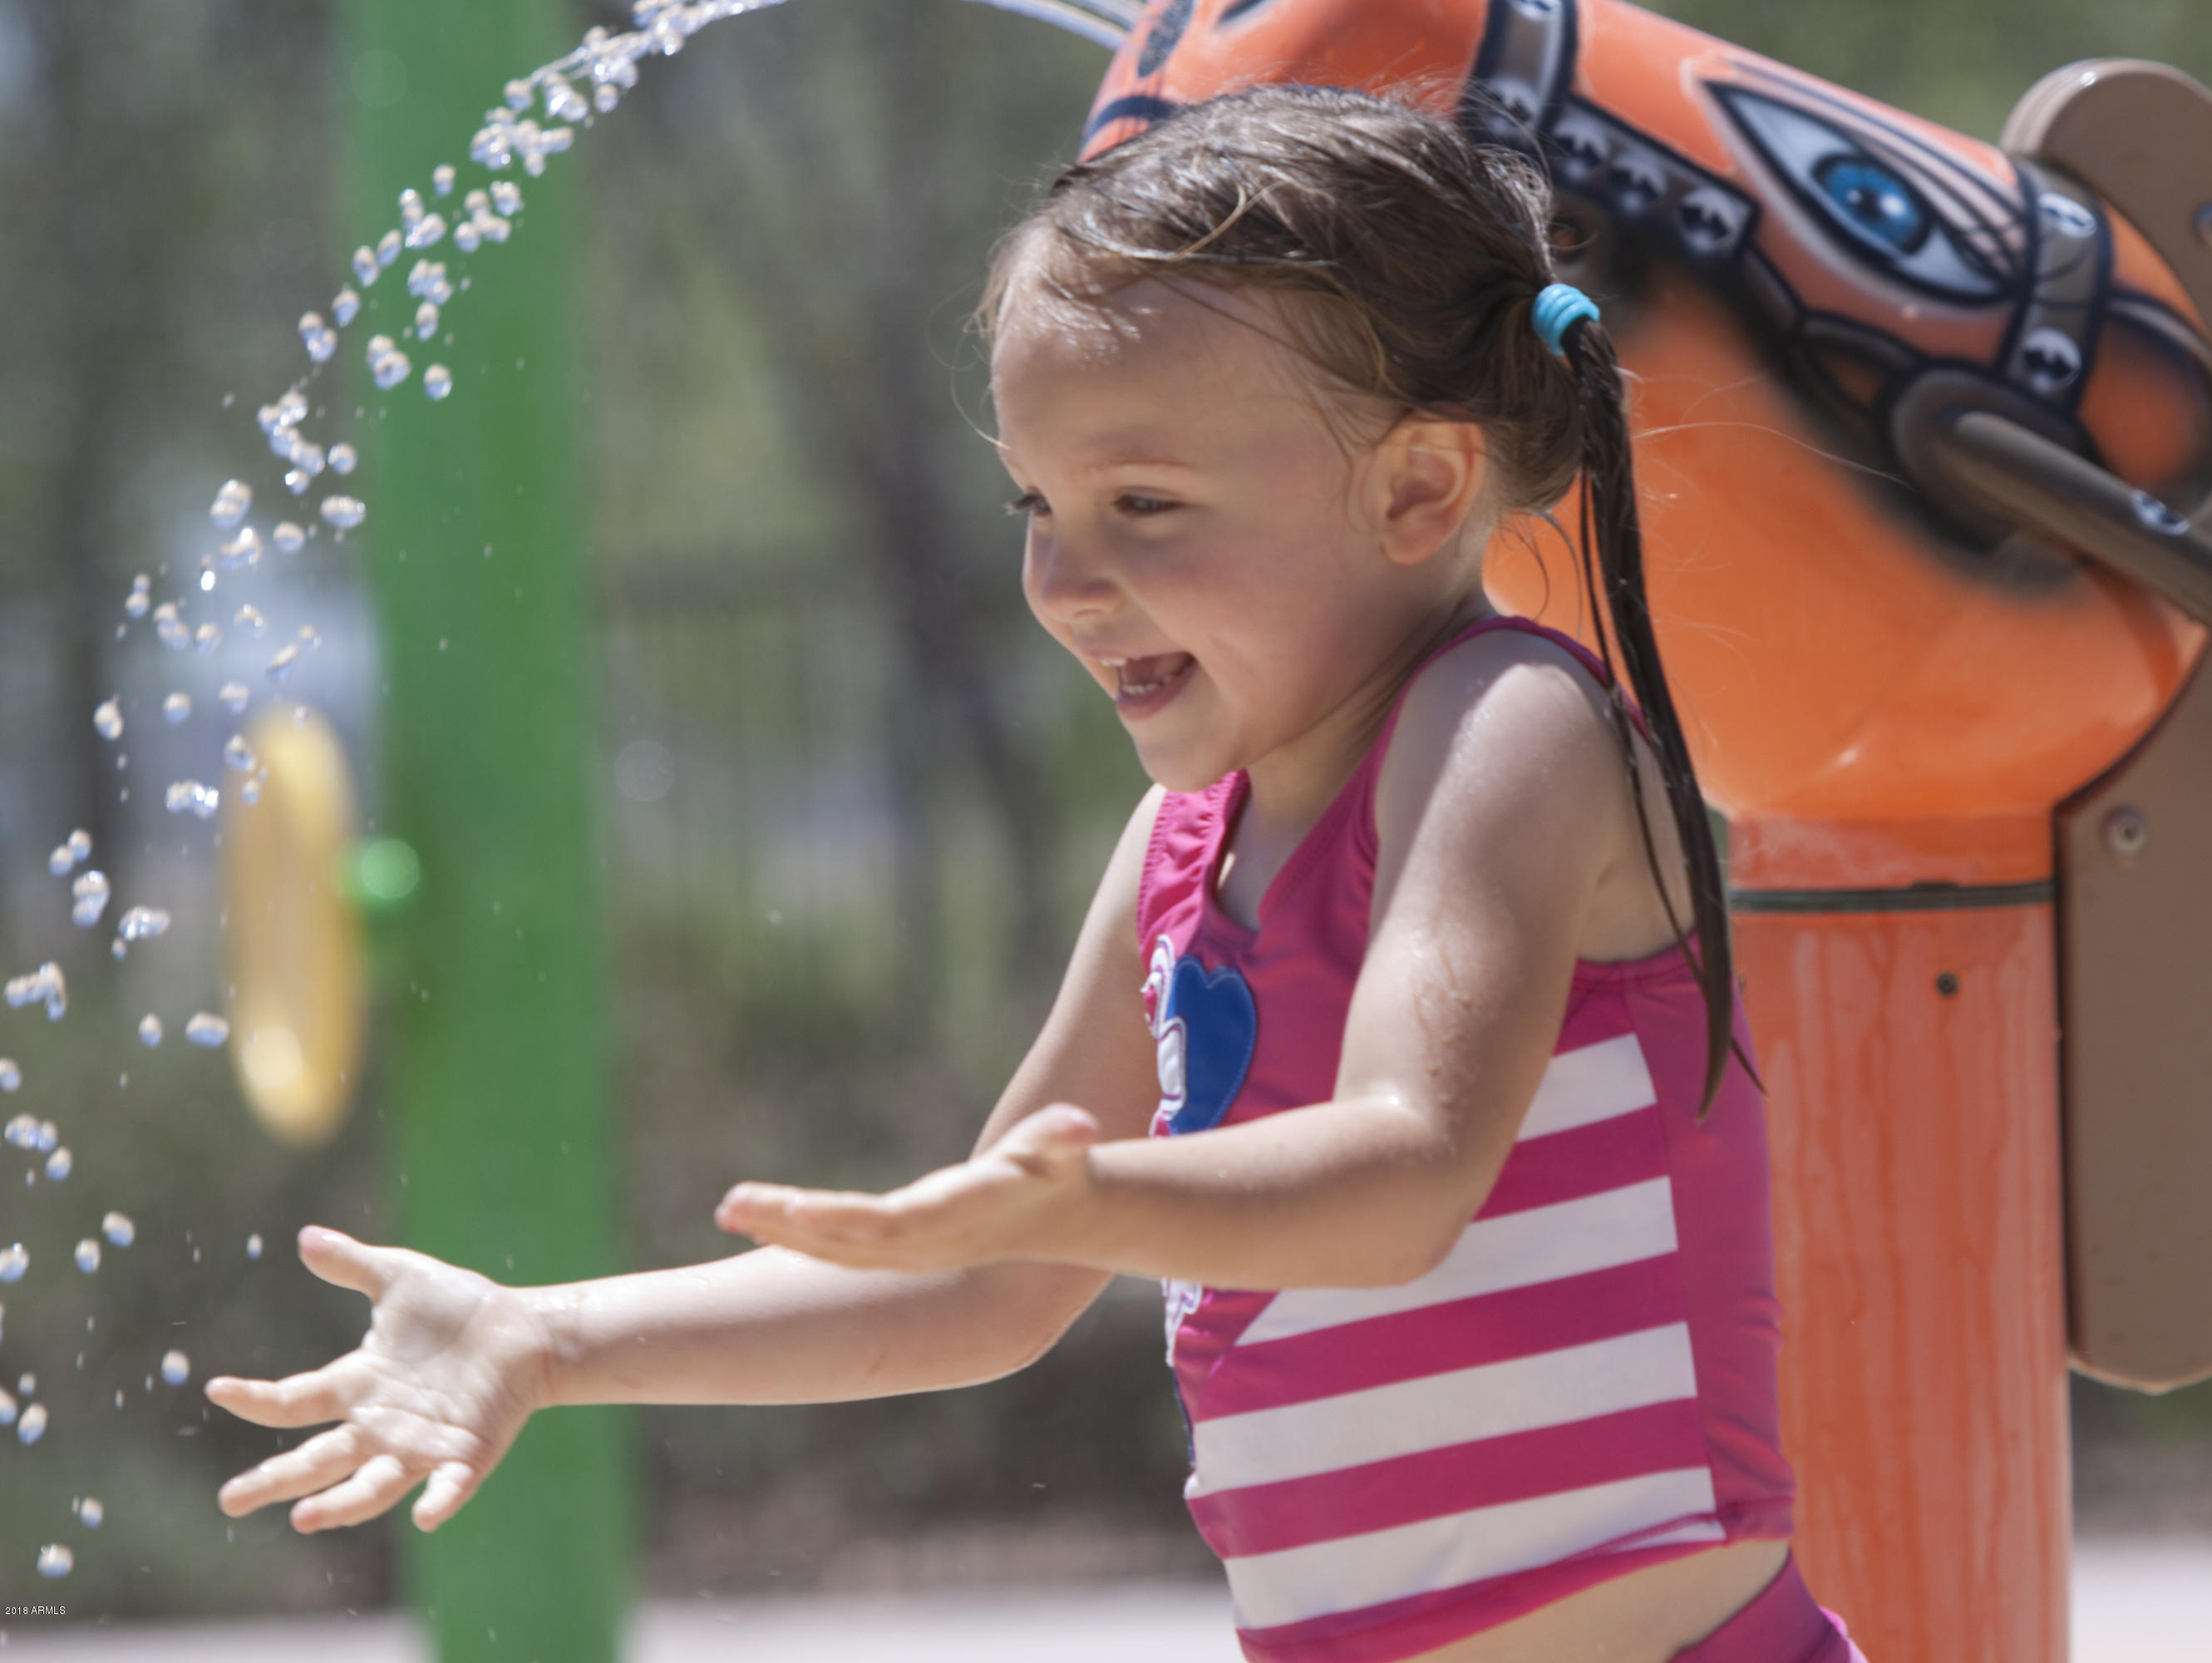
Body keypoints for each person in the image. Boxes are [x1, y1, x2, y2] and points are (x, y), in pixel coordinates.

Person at [209, 85, 1859, 1663]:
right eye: (1039, 503)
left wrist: (1102, 1198)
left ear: (1418, 487)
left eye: (1144, 502)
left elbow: (1409, 1170)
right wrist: (544, 1337)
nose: (1068, 580)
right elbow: (988, 1285)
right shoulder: (1182, 852)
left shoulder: (1507, 728)